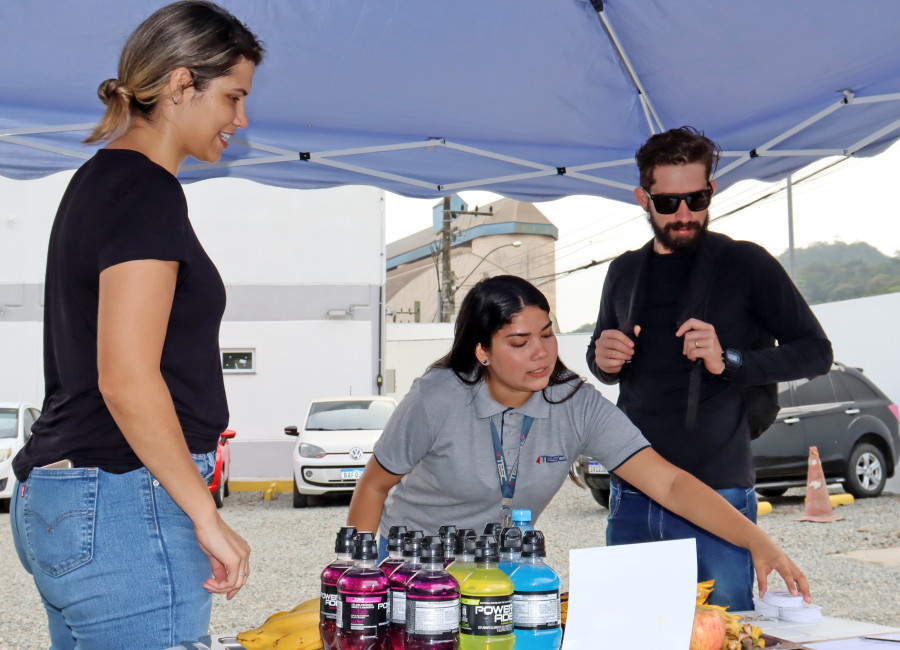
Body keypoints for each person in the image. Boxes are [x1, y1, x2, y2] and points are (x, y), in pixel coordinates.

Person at [10, 2, 264, 646]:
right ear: (182, 84)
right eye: (233, 96)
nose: (241, 119)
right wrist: (204, 516)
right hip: (125, 495)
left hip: (74, 490)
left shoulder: (99, 182)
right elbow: (126, 378)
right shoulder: (145, 190)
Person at [348, 275, 811, 603]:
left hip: (497, 572)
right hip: (410, 568)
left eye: (548, 334)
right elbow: (373, 486)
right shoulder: (437, 397)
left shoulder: (575, 404)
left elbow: (668, 483)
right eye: (519, 341)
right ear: (482, 351)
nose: (542, 352)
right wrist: (358, 582)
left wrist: (757, 541)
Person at [586, 126, 833, 609]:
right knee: (631, 633)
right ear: (643, 198)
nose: (684, 215)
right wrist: (603, 359)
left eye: (696, 199)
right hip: (634, 489)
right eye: (668, 203)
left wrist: (730, 360)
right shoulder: (623, 271)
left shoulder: (746, 264)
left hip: (718, 492)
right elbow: (605, 359)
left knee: (725, 634)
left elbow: (815, 351)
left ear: (711, 190)